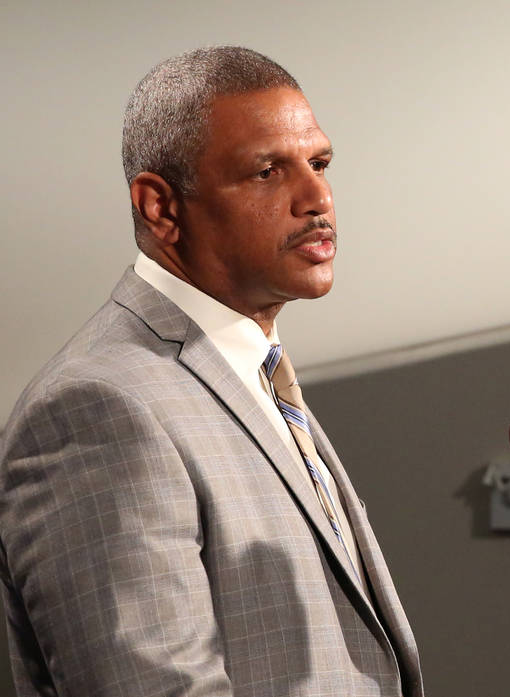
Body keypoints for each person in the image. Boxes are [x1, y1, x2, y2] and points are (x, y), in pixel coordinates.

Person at [0, 47, 423, 697]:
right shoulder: (97, 406)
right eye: (267, 171)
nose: (318, 198)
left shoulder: (257, 373)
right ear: (161, 208)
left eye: (319, 163)